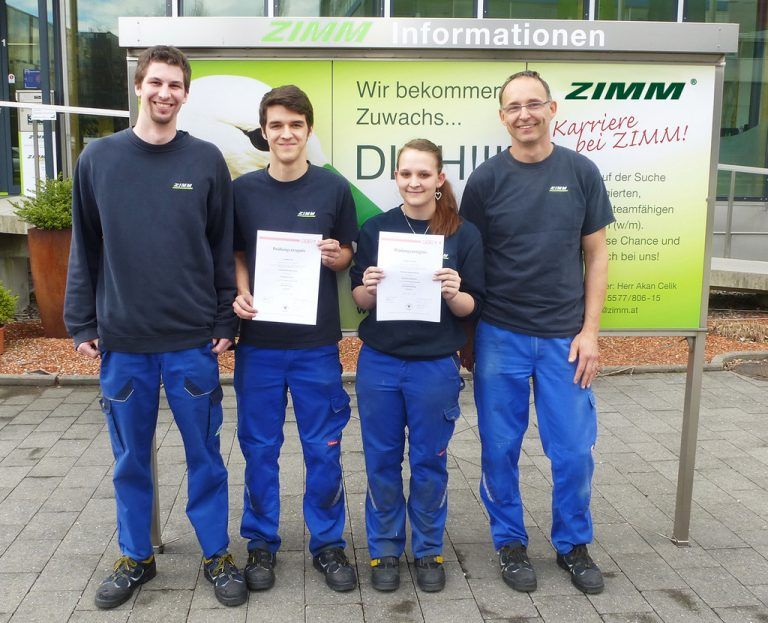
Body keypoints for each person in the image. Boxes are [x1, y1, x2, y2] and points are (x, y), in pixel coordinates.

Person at [64, 46, 247, 608]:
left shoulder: (206, 160)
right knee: (130, 460)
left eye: (175, 85)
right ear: (139, 87)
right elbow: (85, 244)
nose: (165, 93)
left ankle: (216, 554)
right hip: (124, 340)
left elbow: (220, 246)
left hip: (191, 339)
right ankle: (135, 557)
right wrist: (81, 320)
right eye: (157, 83)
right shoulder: (98, 158)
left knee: (205, 456)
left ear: (186, 95)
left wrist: (225, 317)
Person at [459, 70, 614, 595]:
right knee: (499, 448)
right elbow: (471, 260)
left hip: (564, 339)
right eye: (513, 107)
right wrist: (469, 337)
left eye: (533, 104)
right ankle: (509, 543)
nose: (524, 114)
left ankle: (573, 545)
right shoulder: (485, 180)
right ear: (502, 117)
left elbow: (596, 254)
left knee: (572, 451)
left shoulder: (581, 171)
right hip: (499, 334)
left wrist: (590, 332)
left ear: (552, 109)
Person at [231, 85, 359, 593]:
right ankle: (261, 543)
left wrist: (337, 256)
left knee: (323, 448)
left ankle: (327, 544)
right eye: (277, 125)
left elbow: (346, 253)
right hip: (258, 344)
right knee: (259, 449)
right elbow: (237, 254)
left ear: (308, 130)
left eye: (295, 125)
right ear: (264, 132)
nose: (286, 134)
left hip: (315, 346)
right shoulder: (243, 191)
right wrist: (242, 292)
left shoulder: (333, 188)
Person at [350, 139, 485, 593]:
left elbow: (472, 307)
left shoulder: (462, 233)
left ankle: (428, 548)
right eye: (406, 173)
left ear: (439, 179)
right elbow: (359, 298)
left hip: (434, 366)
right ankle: (385, 548)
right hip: (380, 363)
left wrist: (454, 292)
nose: (414, 182)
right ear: (396, 177)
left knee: (430, 461)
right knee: (381, 460)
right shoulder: (376, 229)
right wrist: (369, 286)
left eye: (423, 174)